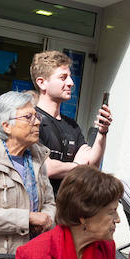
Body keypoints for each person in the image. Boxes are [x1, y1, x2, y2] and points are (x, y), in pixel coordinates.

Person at [0, 90, 56, 255]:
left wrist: (47, 219)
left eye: (36, 116)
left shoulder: (37, 161)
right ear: (6, 126)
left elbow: (49, 203)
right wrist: (28, 218)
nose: (37, 123)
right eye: (28, 117)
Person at [31, 50, 112, 191]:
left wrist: (102, 131)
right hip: (41, 207)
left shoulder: (72, 126)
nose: (71, 83)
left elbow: (92, 164)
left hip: (67, 208)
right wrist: (77, 166)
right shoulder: (32, 120)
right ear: (42, 83)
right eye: (63, 77)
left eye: (69, 77)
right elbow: (47, 168)